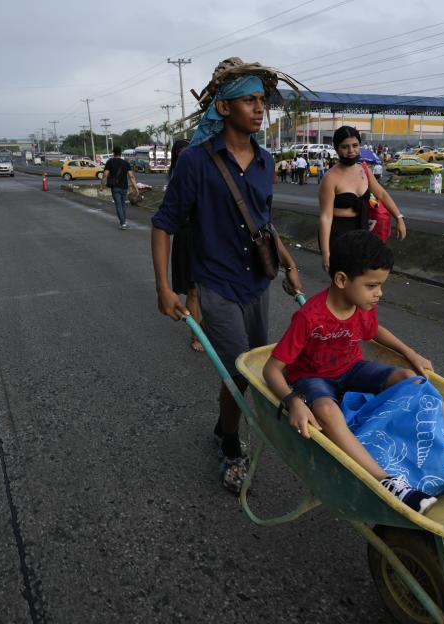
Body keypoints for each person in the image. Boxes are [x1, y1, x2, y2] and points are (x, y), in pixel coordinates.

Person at [262, 231, 444, 513]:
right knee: (328, 412)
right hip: (313, 377)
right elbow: (272, 369)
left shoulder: (361, 305)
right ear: (341, 280)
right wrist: (292, 401)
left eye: (381, 285)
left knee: (411, 379)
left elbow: (374, 331)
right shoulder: (309, 318)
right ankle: (384, 480)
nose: (379, 293)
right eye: (372, 285)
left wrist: (409, 352)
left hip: (352, 369)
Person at [151, 57, 305, 493]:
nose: (260, 109)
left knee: (257, 370)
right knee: (239, 371)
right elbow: (163, 224)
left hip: (257, 282)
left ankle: (222, 427)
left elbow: (264, 223)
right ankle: (231, 445)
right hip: (216, 284)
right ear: (223, 108)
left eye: (263, 101)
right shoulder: (196, 163)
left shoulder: (267, 162)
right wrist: (164, 287)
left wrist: (290, 267)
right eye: (250, 101)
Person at [318, 126, 406, 273]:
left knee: (361, 278)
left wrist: (399, 218)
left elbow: (381, 194)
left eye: (355, 145)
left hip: (362, 230)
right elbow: (326, 217)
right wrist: (326, 253)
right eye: (345, 147)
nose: (351, 151)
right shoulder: (330, 178)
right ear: (337, 149)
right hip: (338, 234)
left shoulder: (363, 170)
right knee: (345, 282)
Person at [166, 138, 204, 352]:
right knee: (193, 292)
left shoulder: (204, 174)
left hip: (207, 236)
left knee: (214, 290)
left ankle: (205, 328)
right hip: (187, 237)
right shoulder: (175, 180)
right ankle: (196, 336)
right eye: (183, 155)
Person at [100, 148, 139, 230]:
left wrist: (102, 186)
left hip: (115, 187)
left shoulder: (110, 162)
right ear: (121, 153)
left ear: (113, 153)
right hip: (124, 187)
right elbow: (131, 176)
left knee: (118, 205)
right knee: (123, 204)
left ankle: (123, 223)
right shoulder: (125, 163)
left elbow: (105, 175)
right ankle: (124, 222)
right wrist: (136, 188)